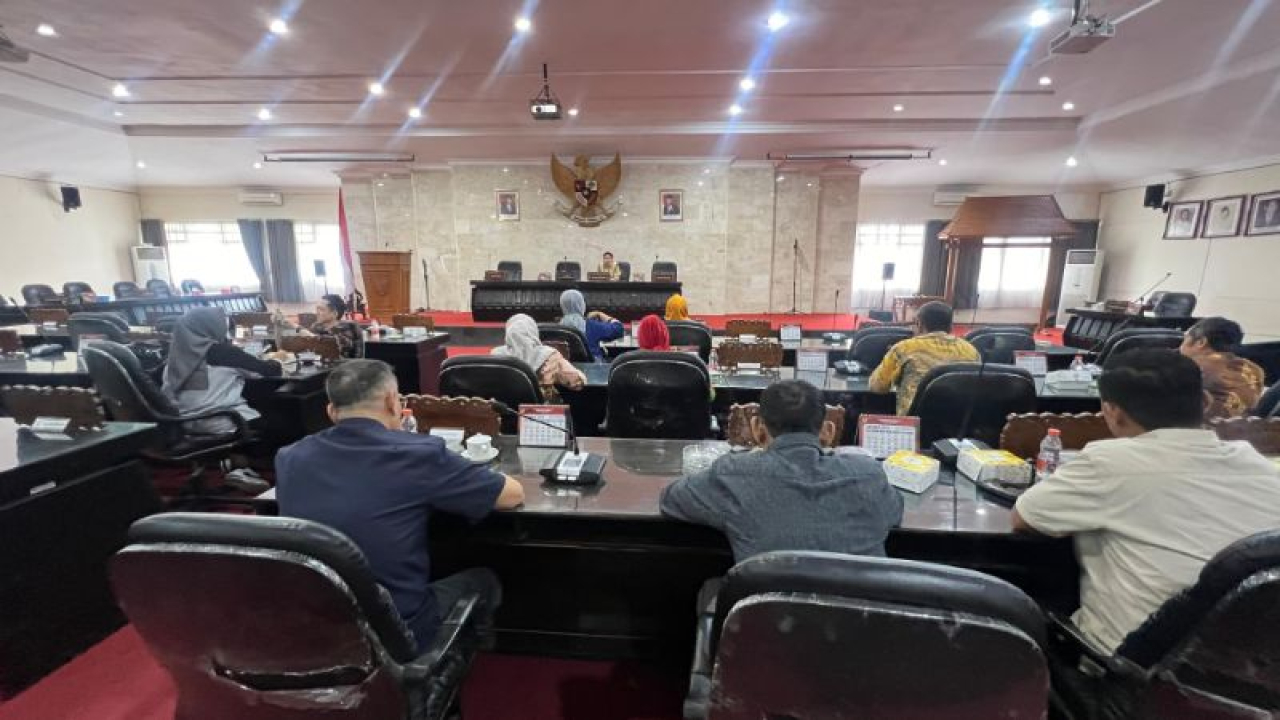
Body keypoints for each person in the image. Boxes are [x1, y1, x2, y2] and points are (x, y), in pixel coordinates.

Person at [1013, 349, 1280, 654]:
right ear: (1205, 403)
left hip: (1129, 667)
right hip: (1247, 669)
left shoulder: (1110, 462)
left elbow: (1025, 517)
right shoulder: (1259, 465)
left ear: (1112, 411)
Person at [276, 360, 525, 653]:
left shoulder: (289, 457)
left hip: (316, 624)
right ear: (392, 402)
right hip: (397, 630)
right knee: (484, 580)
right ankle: (454, 659)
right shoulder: (417, 453)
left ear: (331, 411)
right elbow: (512, 495)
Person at [661, 379, 903, 562]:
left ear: (758, 429)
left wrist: (749, 460)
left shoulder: (734, 473)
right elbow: (896, 510)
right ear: (827, 431)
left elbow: (671, 499)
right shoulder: (869, 474)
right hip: (861, 614)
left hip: (768, 615)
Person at [163, 307, 290, 434]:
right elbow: (268, 371)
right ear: (212, 327)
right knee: (286, 418)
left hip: (184, 424)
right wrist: (278, 360)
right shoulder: (224, 353)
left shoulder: (174, 356)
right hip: (226, 422)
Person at [867, 301, 980, 415]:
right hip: (958, 421)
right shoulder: (971, 350)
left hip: (915, 422)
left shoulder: (904, 348)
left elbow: (877, 387)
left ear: (919, 324)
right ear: (951, 326)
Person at [1179, 316, 1265, 419]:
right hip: (1242, 425)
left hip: (1203, 424)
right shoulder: (1255, 369)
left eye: (1185, 339)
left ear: (1201, 342)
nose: (1180, 347)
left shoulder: (1193, 367)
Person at [491, 313, 585, 402]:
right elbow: (577, 382)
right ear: (533, 331)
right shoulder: (550, 355)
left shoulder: (497, 355)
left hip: (505, 409)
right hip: (542, 410)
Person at [559, 288, 623, 361]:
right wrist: (600, 314)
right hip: (592, 367)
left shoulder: (557, 329)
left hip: (565, 367)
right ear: (581, 304)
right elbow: (618, 329)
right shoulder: (591, 326)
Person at [297, 294, 361, 358]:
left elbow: (335, 346)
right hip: (320, 363)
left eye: (321, 309)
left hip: (346, 363)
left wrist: (310, 336)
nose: (317, 313)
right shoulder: (317, 327)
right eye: (317, 309)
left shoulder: (349, 327)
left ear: (334, 313)